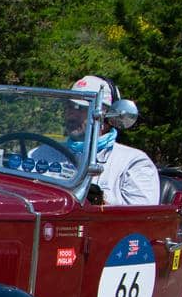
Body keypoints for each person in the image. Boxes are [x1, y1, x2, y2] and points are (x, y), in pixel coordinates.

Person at [63, 75, 160, 205]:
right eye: (70, 106)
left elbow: (141, 219)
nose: (71, 115)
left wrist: (100, 203)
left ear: (108, 115)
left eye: (82, 108)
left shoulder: (133, 162)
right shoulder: (39, 154)